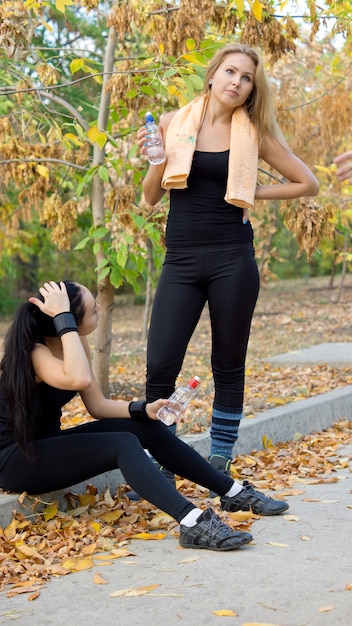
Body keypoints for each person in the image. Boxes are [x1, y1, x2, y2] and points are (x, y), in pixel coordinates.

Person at [136, 42, 319, 486]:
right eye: (231, 72)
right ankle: (164, 453)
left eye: (247, 77)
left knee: (228, 361)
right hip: (179, 259)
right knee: (161, 362)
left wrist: (253, 192)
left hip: (232, 258)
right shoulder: (171, 123)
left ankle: (220, 457)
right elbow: (149, 197)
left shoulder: (254, 134)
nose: (236, 81)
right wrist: (155, 160)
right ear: (213, 74)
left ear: (252, 88)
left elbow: (306, 183)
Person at [0, 281, 289, 554]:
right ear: (67, 322)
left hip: (45, 444)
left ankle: (232, 491)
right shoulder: (35, 352)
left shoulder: (74, 342)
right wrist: (65, 318)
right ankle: (191, 522)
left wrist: (144, 409)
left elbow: (97, 406)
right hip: (15, 460)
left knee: (143, 426)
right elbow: (77, 377)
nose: (99, 309)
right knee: (122, 444)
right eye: (92, 310)